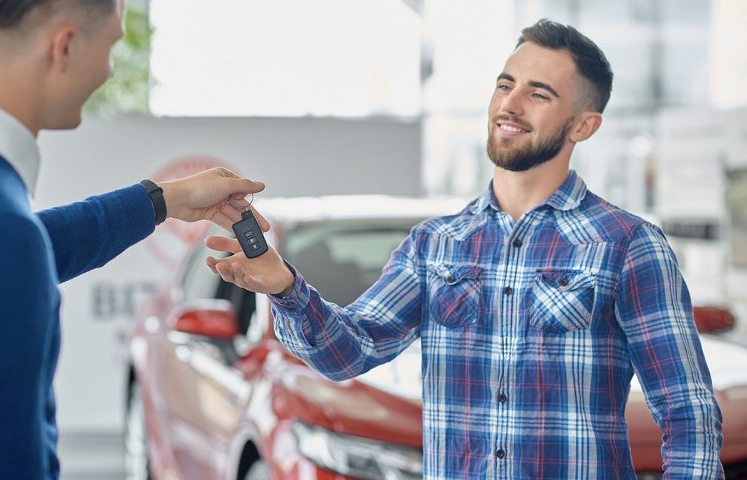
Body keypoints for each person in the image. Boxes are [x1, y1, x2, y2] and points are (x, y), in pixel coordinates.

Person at [206, 19, 724, 479]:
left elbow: (688, 412)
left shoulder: (627, 244)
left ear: (582, 125)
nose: (510, 104)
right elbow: (350, 351)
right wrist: (285, 288)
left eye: (538, 94)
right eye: (505, 84)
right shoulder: (436, 244)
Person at [0, 0, 269, 478]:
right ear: (66, 45)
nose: (109, 72)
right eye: (111, 46)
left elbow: (1, 253)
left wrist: (162, 200)